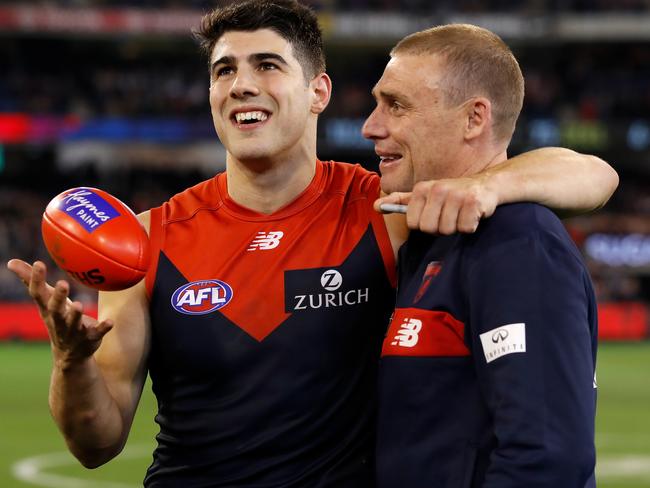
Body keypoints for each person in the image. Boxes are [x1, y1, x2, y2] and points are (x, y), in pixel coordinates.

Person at [7, 2, 617, 487]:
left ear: (319, 92)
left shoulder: (385, 211)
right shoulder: (146, 238)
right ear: (212, 98)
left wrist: (488, 187)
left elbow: (592, 174)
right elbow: (96, 442)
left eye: (267, 65)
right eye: (225, 71)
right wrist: (71, 361)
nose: (242, 84)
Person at [365, 24, 603, 487]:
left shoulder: (518, 243)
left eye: (396, 105)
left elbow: (547, 460)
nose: (371, 126)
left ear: (475, 119)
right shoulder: (431, 236)